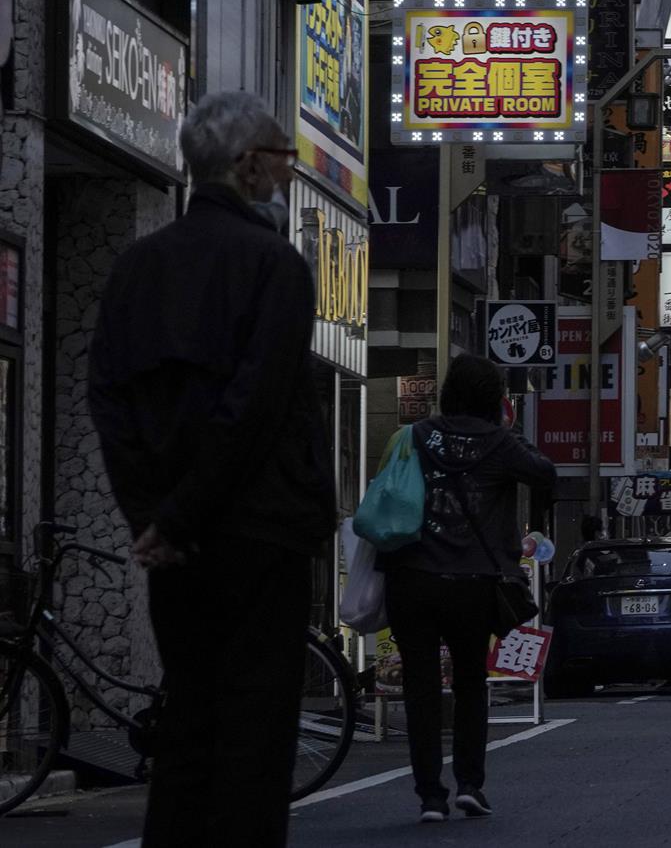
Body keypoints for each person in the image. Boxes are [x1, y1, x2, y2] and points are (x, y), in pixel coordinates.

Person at [88, 92, 334, 847]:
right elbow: (255, 408)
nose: (288, 174)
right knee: (255, 728)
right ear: (250, 166)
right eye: (283, 159)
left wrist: (155, 520)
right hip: (260, 530)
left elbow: (108, 398)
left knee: (188, 713)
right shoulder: (277, 268)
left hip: (176, 542)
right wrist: (182, 513)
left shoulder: (137, 265)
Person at [377, 355, 555, 820]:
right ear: (492, 397)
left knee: (420, 687)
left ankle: (430, 796)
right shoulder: (498, 442)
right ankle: (469, 785)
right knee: (471, 681)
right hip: (473, 581)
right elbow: (544, 472)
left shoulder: (416, 436)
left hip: (412, 577)